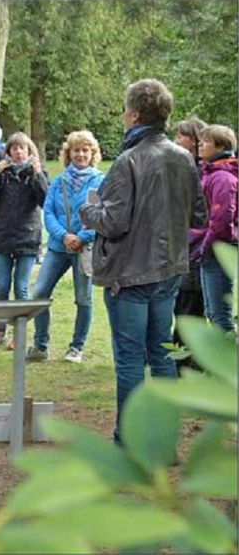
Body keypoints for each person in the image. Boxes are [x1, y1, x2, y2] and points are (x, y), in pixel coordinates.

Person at [80, 78, 206, 444]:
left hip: (131, 274)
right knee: (162, 356)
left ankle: (130, 440)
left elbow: (113, 222)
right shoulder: (183, 158)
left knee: (131, 360)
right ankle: (164, 440)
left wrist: (89, 210)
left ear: (134, 114)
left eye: (124, 111)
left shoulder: (128, 161)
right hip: (167, 269)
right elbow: (197, 215)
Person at [27, 131, 105, 363]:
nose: (80, 154)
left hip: (84, 247)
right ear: (68, 153)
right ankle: (40, 345)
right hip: (58, 247)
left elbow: (97, 213)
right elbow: (48, 212)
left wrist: (81, 237)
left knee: (83, 298)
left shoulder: (97, 181)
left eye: (85, 150)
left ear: (92, 154)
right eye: (76, 150)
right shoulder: (60, 180)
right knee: (40, 292)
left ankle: (76, 347)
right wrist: (63, 236)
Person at [0, 132, 49, 349]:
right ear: (8, 152)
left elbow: (45, 200)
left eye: (23, 149)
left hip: (27, 237)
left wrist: (38, 175)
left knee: (21, 287)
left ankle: (20, 333)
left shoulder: (37, 173)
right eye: (14, 148)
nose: (19, 152)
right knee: (1, 286)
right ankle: (0, 330)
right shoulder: (3, 174)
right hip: (2, 236)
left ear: (30, 152)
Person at [193, 124, 237, 332]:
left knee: (220, 316)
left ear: (220, 145)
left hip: (217, 250)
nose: (200, 145)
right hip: (208, 250)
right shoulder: (210, 173)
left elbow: (221, 221)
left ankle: (228, 362)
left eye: (206, 141)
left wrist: (206, 246)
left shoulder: (222, 178)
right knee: (212, 311)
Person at [172, 117, 208, 357]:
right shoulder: (184, 167)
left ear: (194, 140)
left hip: (194, 250)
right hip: (181, 248)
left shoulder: (201, 172)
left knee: (189, 308)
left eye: (179, 136)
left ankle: (187, 362)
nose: (175, 141)